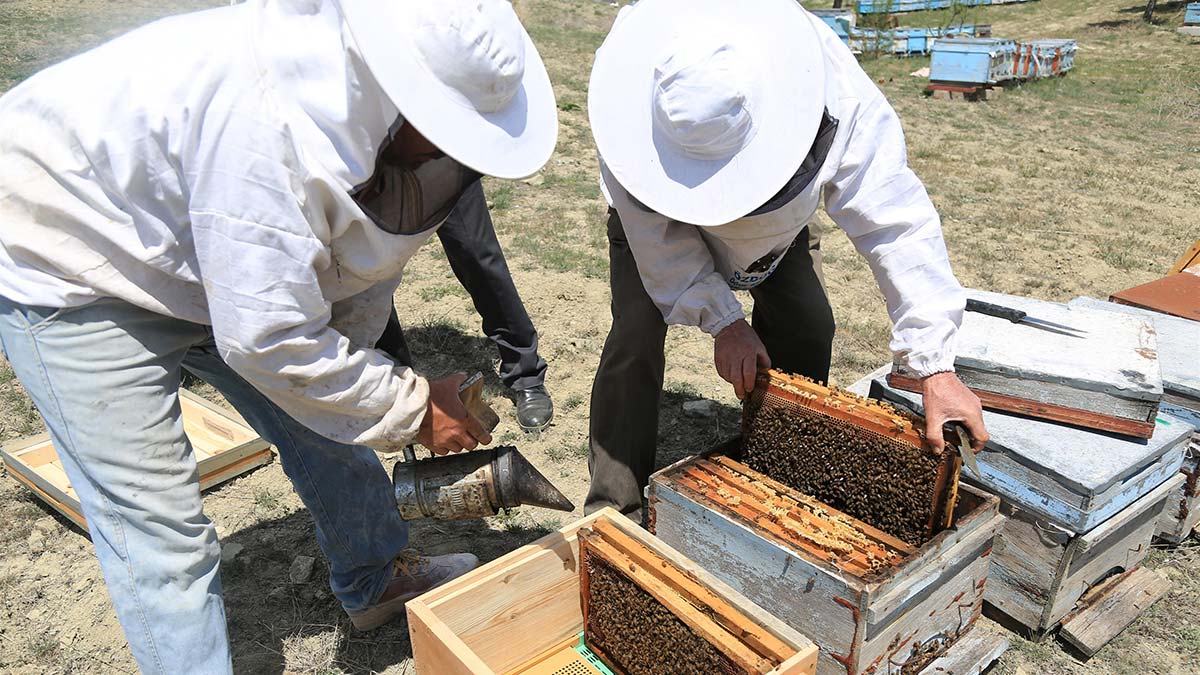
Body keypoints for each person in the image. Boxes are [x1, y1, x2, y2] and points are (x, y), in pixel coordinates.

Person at [0, 0, 557, 672]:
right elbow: (268, 338)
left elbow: (350, 283)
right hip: (69, 249)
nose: (448, 154)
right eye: (448, 133)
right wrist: (410, 407)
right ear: (406, 99)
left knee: (329, 423)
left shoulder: (364, 121)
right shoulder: (266, 128)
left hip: (203, 246)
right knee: (162, 540)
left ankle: (375, 578)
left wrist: (378, 397)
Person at [583, 0, 989, 523]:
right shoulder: (626, 109)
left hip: (782, 230)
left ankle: (785, 477)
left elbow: (894, 220)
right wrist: (725, 322)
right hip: (658, 232)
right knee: (635, 337)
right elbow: (658, 242)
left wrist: (935, 364)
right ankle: (614, 507)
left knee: (807, 326)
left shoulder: (832, 83)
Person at [376, 181, 555, 431]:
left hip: (439, 152)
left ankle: (526, 374)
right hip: (368, 164)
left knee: (475, 251)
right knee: (374, 272)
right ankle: (398, 394)